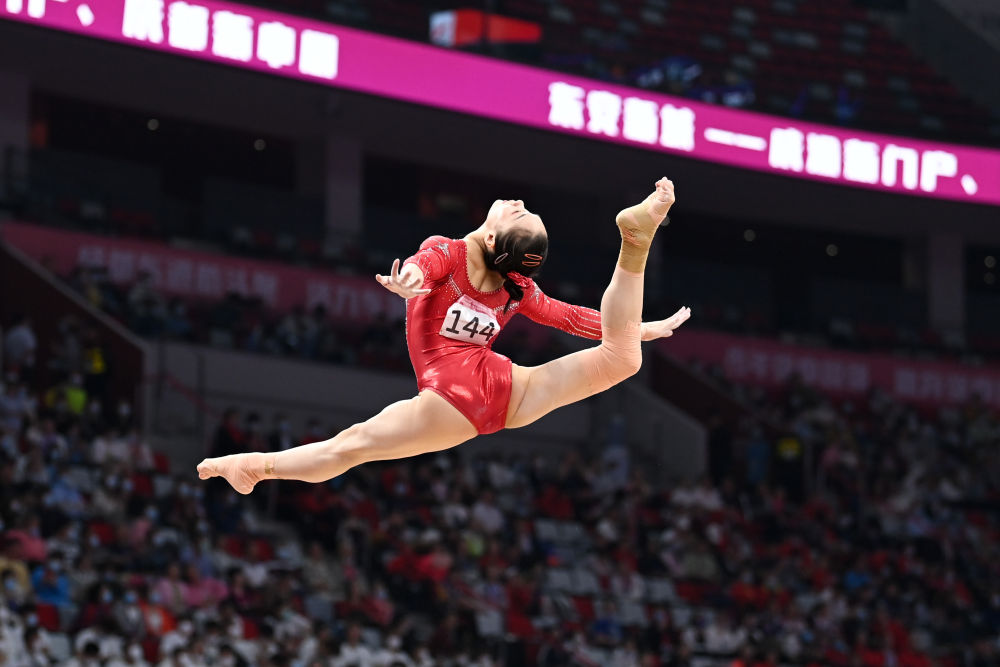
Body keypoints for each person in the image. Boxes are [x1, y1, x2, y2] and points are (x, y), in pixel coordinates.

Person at [199, 178, 690, 493]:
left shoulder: (451, 254)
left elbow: (425, 265)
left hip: (452, 401)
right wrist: (635, 332)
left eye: (519, 213)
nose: (517, 201)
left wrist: (411, 278)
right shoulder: (516, 288)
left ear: (495, 239)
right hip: (506, 394)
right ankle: (634, 245)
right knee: (622, 358)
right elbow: (571, 318)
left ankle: (257, 466)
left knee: (349, 448)